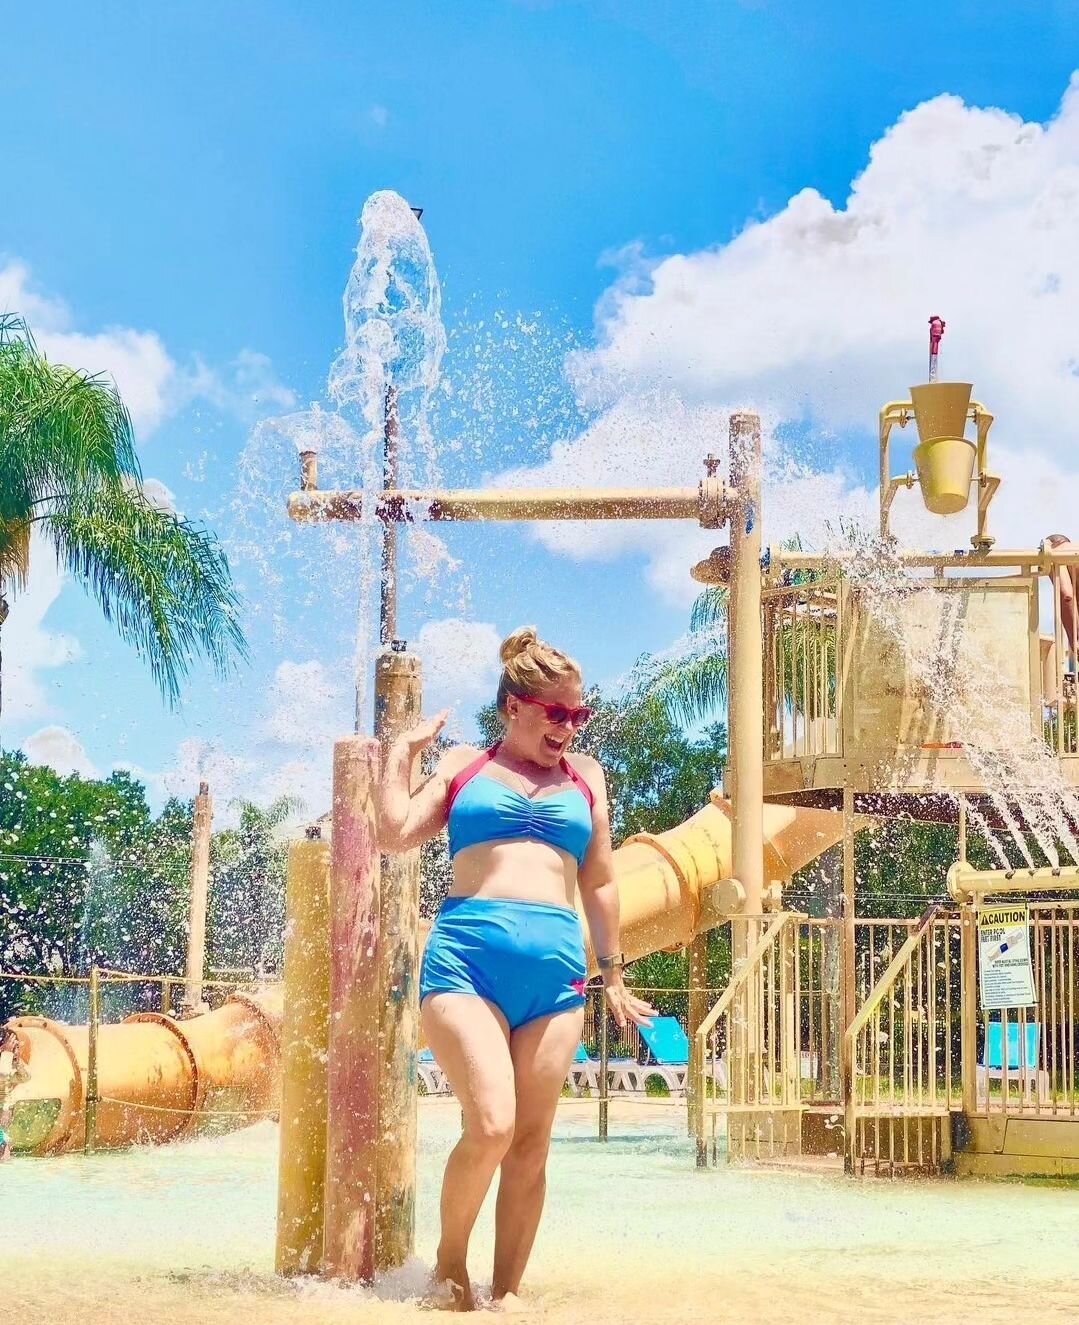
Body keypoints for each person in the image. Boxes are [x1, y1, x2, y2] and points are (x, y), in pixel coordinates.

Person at [379, 626, 654, 1312]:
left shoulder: (585, 776)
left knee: (529, 1145)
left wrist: (612, 972)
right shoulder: (466, 763)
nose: (569, 726)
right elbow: (393, 832)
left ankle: (505, 1299)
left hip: (556, 977)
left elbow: (599, 880)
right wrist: (399, 756)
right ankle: (449, 1267)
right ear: (514, 706)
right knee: (493, 1124)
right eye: (556, 712)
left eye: (578, 714)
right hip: (466, 962)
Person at [0, 1026, 31, 1162]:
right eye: (13, 1045)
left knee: (5, 1151)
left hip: (4, 1113)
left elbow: (25, 1077)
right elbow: (2, 1075)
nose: (16, 1050)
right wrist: (6, 1054)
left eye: (17, 1046)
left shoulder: (10, 1063)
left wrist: (18, 1063)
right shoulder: (4, 1062)